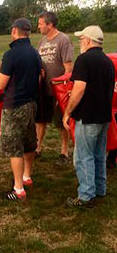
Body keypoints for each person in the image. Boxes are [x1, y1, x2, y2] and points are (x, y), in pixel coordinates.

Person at [63, 26, 114, 208]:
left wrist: (67, 112)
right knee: (99, 154)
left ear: (88, 40)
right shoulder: (108, 62)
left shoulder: (84, 60)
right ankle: (100, 189)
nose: (80, 42)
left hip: (88, 116)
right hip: (104, 117)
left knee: (83, 156)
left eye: (81, 39)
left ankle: (85, 196)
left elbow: (79, 89)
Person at [0, 18, 41, 202]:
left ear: (14, 31)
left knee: (14, 147)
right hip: (31, 103)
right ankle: (27, 177)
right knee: (29, 142)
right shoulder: (35, 53)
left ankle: (18, 189)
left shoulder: (11, 54)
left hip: (14, 105)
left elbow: (1, 84)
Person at [36, 11, 73, 164]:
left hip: (59, 91)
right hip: (43, 89)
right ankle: (37, 148)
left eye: (40, 24)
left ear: (50, 25)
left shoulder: (63, 40)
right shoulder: (42, 41)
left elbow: (69, 69)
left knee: (61, 122)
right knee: (40, 119)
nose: (38, 27)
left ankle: (64, 152)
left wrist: (63, 91)